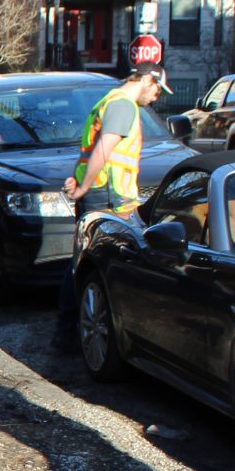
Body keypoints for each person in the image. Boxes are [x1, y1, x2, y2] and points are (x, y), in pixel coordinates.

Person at [55, 67, 164, 340]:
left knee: (83, 261)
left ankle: (69, 330)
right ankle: (72, 332)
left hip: (101, 191)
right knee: (94, 265)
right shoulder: (123, 106)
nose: (156, 96)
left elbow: (92, 150)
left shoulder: (107, 102)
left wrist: (80, 182)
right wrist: (84, 186)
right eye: (156, 89)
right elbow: (104, 148)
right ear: (146, 80)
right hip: (110, 196)